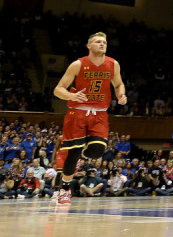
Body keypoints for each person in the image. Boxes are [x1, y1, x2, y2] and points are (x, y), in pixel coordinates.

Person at [52, 32, 127, 205]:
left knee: (98, 151)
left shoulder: (113, 64)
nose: (102, 44)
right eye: (98, 42)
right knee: (73, 153)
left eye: (104, 42)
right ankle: (64, 188)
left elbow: (118, 84)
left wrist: (121, 94)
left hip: (100, 113)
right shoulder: (78, 64)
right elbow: (58, 89)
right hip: (77, 112)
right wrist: (72, 96)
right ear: (89, 46)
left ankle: (80, 157)